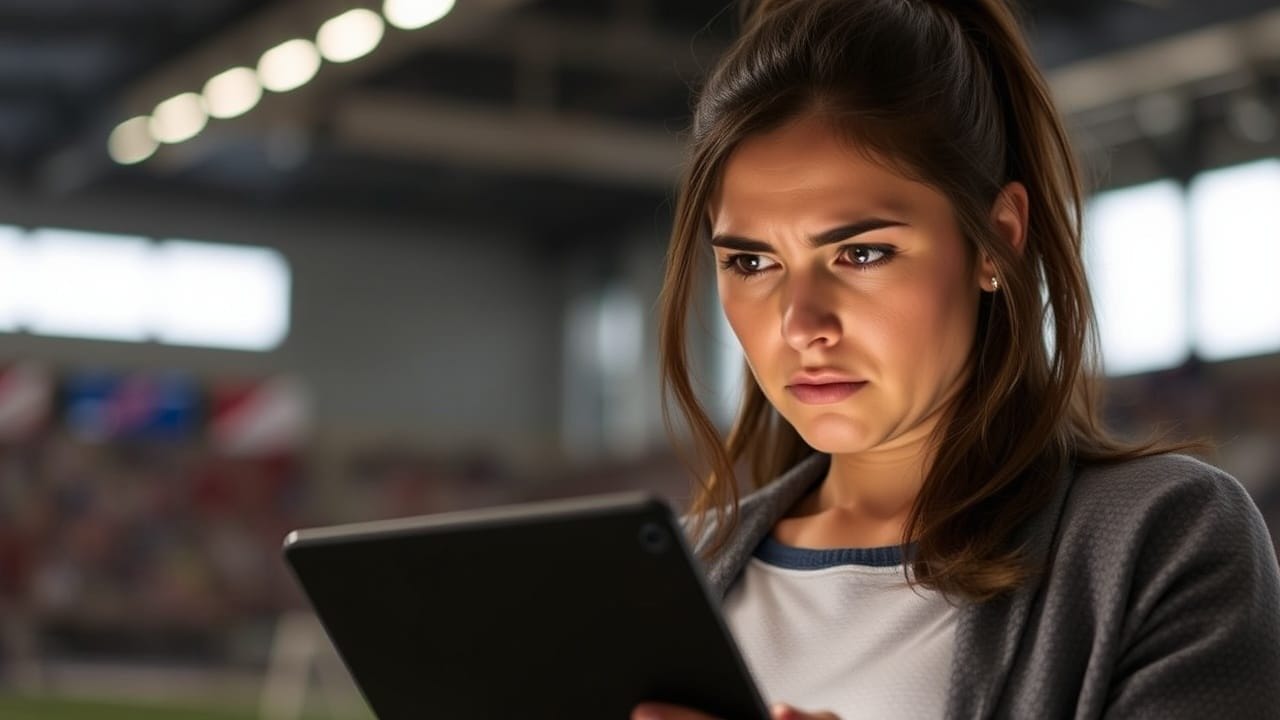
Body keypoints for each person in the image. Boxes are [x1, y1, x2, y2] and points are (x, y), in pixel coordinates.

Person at [631, 0, 1280, 718]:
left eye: (862, 253)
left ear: (997, 240)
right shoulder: (663, 577)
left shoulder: (1164, 540)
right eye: (752, 262)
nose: (799, 324)